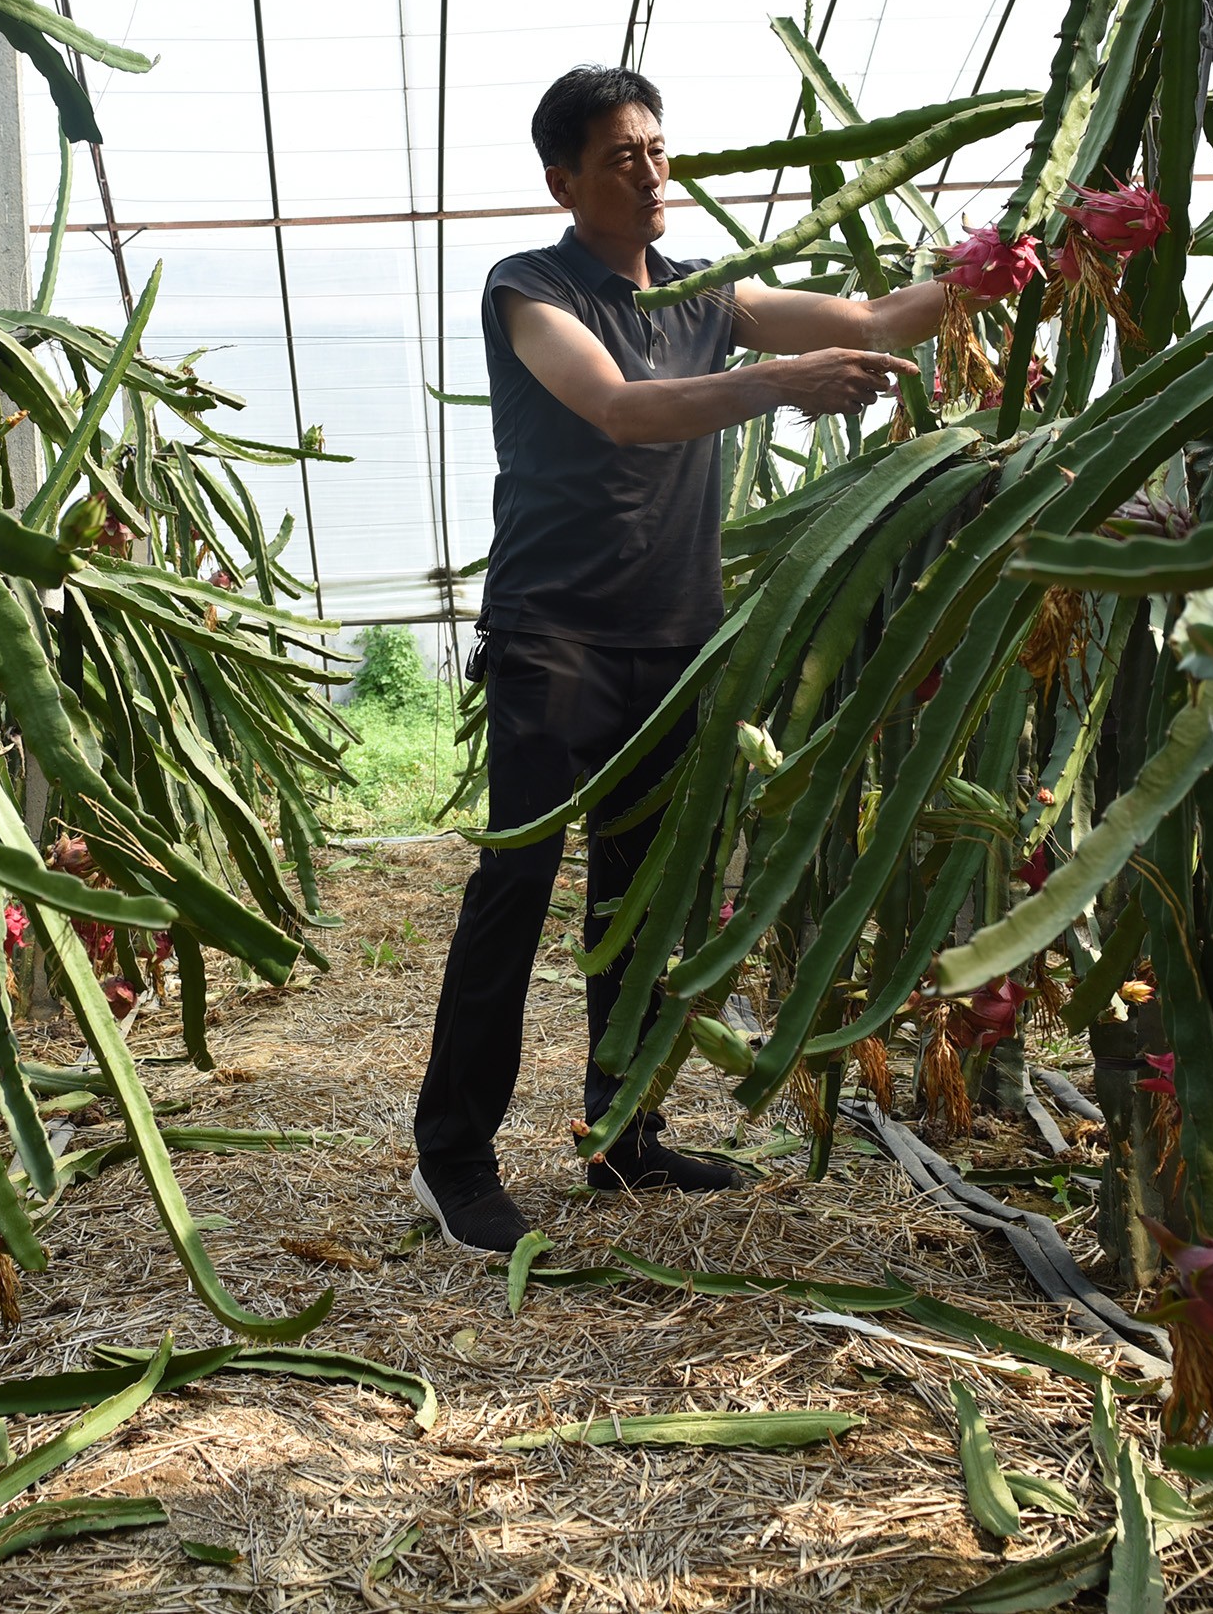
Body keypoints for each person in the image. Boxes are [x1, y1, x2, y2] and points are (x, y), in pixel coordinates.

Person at [408, 64, 982, 1253]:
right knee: (513, 895)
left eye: (661, 149)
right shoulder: (531, 288)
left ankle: (623, 1136)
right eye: (623, 156)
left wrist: (1002, 264)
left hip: (677, 637)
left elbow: (872, 320)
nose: (654, 173)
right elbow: (619, 406)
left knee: (640, 901)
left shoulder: (708, 292)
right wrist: (779, 381)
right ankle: (453, 1159)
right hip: (552, 636)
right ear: (563, 177)